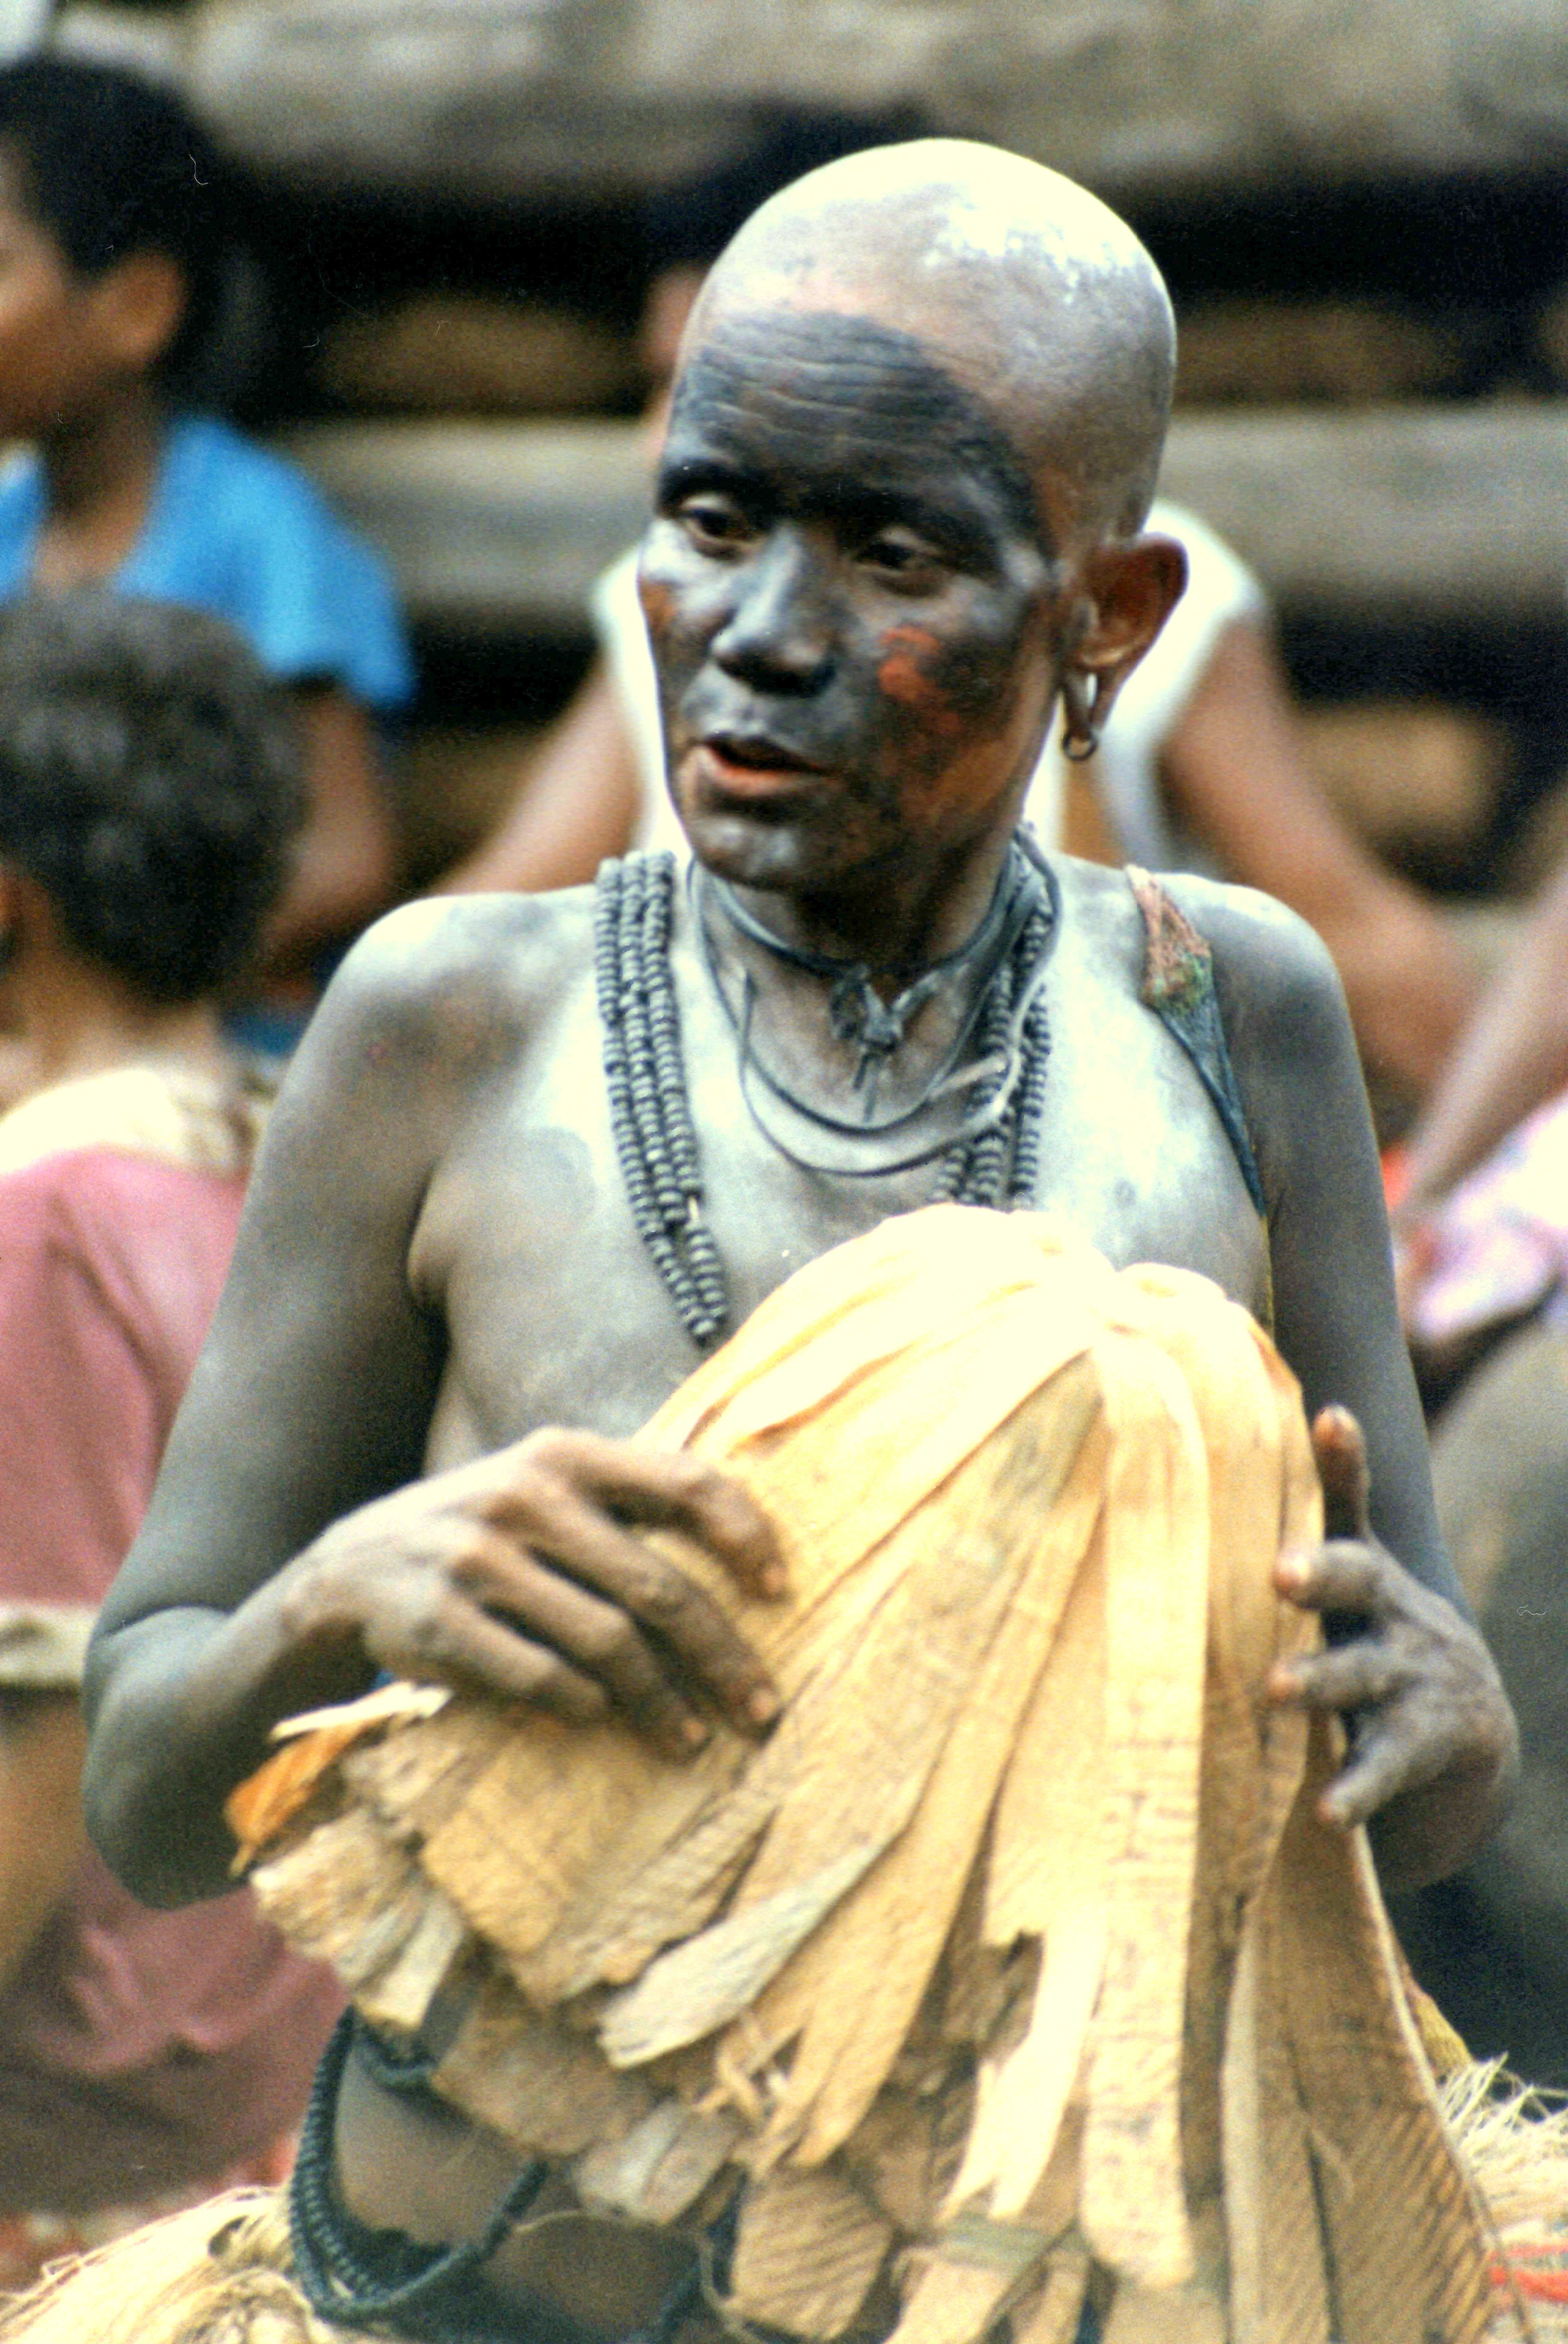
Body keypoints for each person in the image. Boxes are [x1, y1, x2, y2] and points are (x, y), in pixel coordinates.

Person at [81, 142, 1512, 2342]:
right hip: (499, 2286)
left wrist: (1437, 1719)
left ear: (1101, 620)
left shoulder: (1234, 1012)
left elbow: (1408, 1754)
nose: (758, 630)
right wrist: (332, 1602)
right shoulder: (451, 1023)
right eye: (714, 518)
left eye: (895, 549)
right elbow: (150, 1793)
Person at [440, 141, 1475, 1115]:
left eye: (895, 558)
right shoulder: (679, 595)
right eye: (666, 382)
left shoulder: (1105, 608)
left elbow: (1347, 927)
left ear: (1103, 619)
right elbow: (505, 898)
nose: (655, 434)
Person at [0, 592, 341, 2284]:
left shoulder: (42, 1224)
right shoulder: (289, 1160)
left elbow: (43, 1738)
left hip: (87, 2151)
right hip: (287, 2078)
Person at [0, 53, 414, 1034]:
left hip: (226, 1062)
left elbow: (347, 859)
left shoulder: (255, 528)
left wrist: (112, 991)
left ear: (137, 308)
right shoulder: (12, 529)